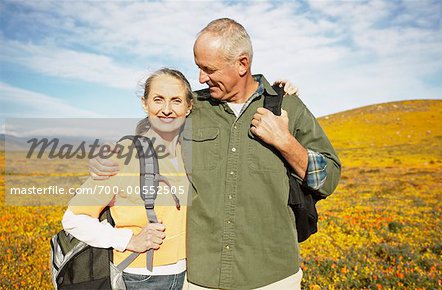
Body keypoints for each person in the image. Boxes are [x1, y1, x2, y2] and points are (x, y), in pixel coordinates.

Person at [91, 18, 341, 289]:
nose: (200, 78)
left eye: (209, 69)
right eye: (198, 67)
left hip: (274, 276)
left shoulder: (287, 106)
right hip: (201, 277)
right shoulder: (192, 107)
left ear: (242, 64)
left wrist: (285, 142)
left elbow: (329, 178)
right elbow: (144, 141)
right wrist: (107, 157)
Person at [62, 68, 193, 290]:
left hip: (188, 275)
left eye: (176, 101)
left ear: (189, 107)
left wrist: (273, 93)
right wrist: (128, 240)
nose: (167, 109)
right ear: (145, 104)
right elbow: (73, 219)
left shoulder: (188, 151)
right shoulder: (124, 154)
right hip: (141, 278)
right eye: (158, 99)